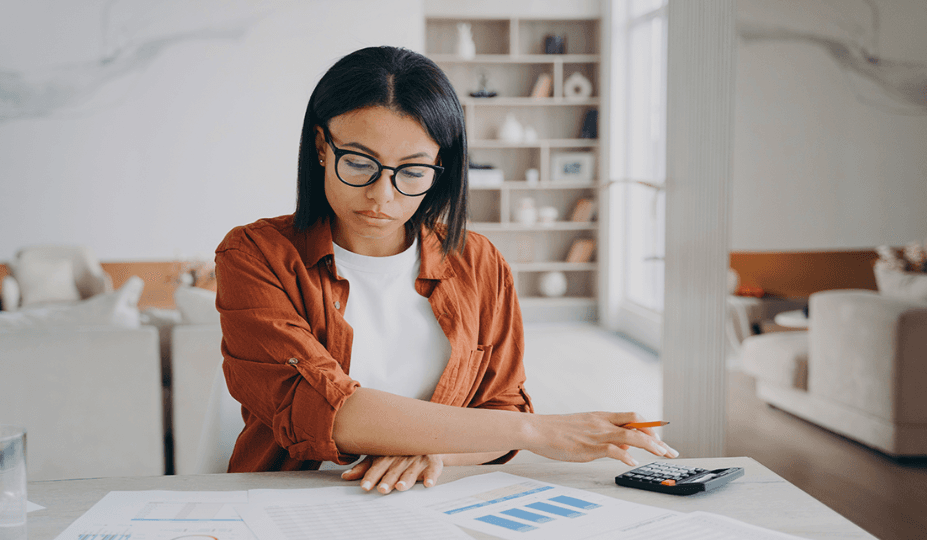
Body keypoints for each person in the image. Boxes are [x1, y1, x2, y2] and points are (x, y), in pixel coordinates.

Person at [215, 45, 678, 495]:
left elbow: (500, 403)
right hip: (285, 504)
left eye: (412, 171)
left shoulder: (479, 262)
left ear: (441, 166)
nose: (383, 195)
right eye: (358, 163)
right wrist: (537, 431)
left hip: (431, 504)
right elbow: (326, 409)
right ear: (321, 146)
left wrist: (434, 452)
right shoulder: (255, 255)